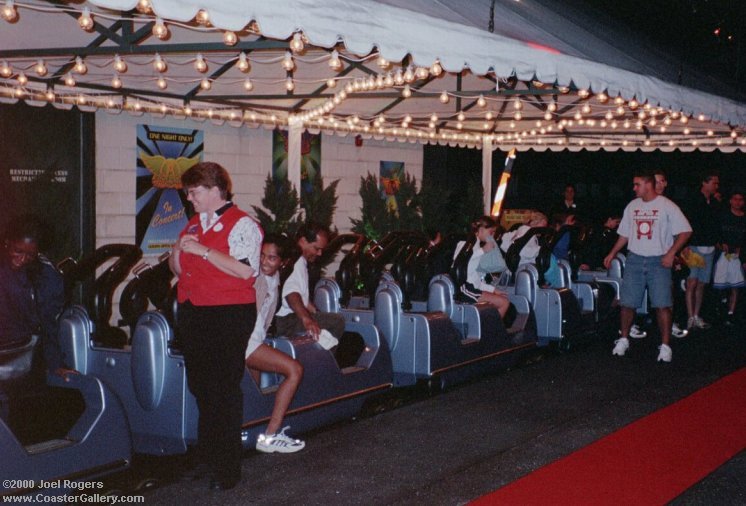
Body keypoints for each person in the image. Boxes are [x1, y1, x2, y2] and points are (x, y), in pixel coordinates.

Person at [169, 162, 262, 491]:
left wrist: (204, 251)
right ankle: (208, 457)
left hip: (228, 313)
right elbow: (181, 270)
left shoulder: (243, 225)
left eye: (193, 193)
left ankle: (227, 467)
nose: (190, 199)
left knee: (223, 389)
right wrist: (177, 253)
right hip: (196, 310)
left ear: (213, 190)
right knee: (201, 388)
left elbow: (245, 272)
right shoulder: (193, 224)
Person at [604, 171, 692, 363]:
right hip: (635, 259)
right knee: (627, 303)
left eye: (637, 184)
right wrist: (612, 252)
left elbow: (685, 231)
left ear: (648, 185)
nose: (634, 188)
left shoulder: (667, 206)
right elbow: (625, 234)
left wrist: (671, 253)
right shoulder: (632, 206)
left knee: (662, 305)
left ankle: (666, 346)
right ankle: (624, 338)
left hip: (658, 261)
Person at [245, 235, 305, 453]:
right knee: (294, 370)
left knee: (254, 387)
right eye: (261, 256)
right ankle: (271, 435)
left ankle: (251, 432)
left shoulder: (276, 277)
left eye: (271, 258)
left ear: (283, 261)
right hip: (246, 341)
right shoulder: (253, 274)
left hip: (255, 338)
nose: (264, 262)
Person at [0, 216, 68, 379]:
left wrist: (56, 364)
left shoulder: (46, 277)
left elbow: (48, 324)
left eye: (30, 255)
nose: (22, 259)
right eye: (18, 251)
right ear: (7, 242)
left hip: (19, 352)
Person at [275, 223, 345, 343]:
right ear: (303, 241)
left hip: (288, 318)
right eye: (316, 248)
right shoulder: (296, 262)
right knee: (337, 321)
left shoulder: (300, 261)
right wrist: (307, 319)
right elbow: (291, 294)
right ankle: (322, 359)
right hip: (286, 322)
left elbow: (301, 296)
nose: (319, 254)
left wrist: (314, 311)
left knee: (328, 319)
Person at [682, 170, 720, 330]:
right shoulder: (693, 200)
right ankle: (690, 317)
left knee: (702, 284)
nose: (716, 186)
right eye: (714, 183)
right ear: (705, 183)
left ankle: (697, 315)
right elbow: (685, 223)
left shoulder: (714, 202)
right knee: (692, 282)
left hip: (709, 248)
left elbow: (715, 224)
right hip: (694, 246)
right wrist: (684, 246)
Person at [652, 169, 687, 339]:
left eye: (661, 181)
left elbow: (680, 231)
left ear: (665, 183)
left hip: (665, 256)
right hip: (645, 256)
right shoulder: (642, 203)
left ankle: (668, 325)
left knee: (668, 291)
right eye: (655, 181)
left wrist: (676, 253)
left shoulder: (670, 205)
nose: (658, 185)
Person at [458, 216, 510, 318]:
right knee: (503, 303)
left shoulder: (476, 245)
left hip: (471, 287)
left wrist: (493, 290)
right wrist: (483, 251)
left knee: (503, 301)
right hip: (464, 288)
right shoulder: (465, 243)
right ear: (481, 230)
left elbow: (476, 279)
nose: (493, 236)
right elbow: (460, 261)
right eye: (491, 232)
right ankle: (493, 332)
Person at [712, 189, 746, 325]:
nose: (738, 202)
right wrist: (720, 243)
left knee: (735, 285)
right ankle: (719, 308)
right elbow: (715, 232)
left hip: (737, 256)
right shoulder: (723, 215)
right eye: (735, 199)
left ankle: (731, 313)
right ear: (730, 201)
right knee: (719, 284)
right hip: (722, 255)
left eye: (740, 199)